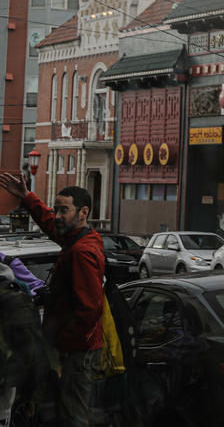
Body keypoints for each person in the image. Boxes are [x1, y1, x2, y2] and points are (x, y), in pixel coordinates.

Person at [0, 174, 105, 427]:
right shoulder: (79, 237)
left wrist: (61, 347)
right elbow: (50, 224)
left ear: (83, 212)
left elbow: (89, 310)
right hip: (72, 350)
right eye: (56, 209)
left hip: (75, 354)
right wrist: (27, 197)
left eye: (64, 210)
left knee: (72, 415)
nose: (57, 216)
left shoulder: (82, 252)